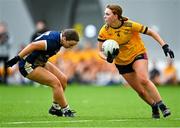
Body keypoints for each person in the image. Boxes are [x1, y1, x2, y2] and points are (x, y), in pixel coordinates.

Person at [97, 4, 174, 119]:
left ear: (116, 15)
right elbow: (99, 51)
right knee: (141, 92)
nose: (104, 16)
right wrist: (107, 58)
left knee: (143, 79)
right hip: (121, 63)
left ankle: (162, 106)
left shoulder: (130, 25)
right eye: (105, 14)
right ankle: (153, 106)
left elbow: (151, 32)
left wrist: (164, 46)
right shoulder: (104, 30)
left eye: (107, 14)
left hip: (138, 54)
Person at [6, 29, 79, 117]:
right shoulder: (52, 41)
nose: (70, 47)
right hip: (28, 65)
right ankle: (66, 110)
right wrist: (17, 58)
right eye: (70, 44)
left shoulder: (58, 38)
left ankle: (55, 108)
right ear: (64, 38)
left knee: (63, 79)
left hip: (40, 61)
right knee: (56, 83)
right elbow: (33, 45)